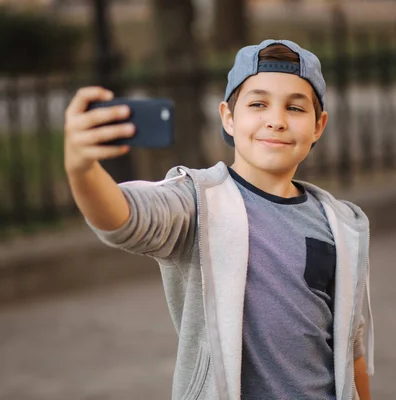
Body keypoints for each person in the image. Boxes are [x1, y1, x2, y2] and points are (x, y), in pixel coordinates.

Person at [64, 39, 374, 400]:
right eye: (258, 104)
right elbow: (124, 219)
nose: (276, 121)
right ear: (228, 116)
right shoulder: (197, 201)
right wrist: (81, 169)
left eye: (295, 108)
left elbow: (351, 347)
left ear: (318, 126)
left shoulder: (339, 224)